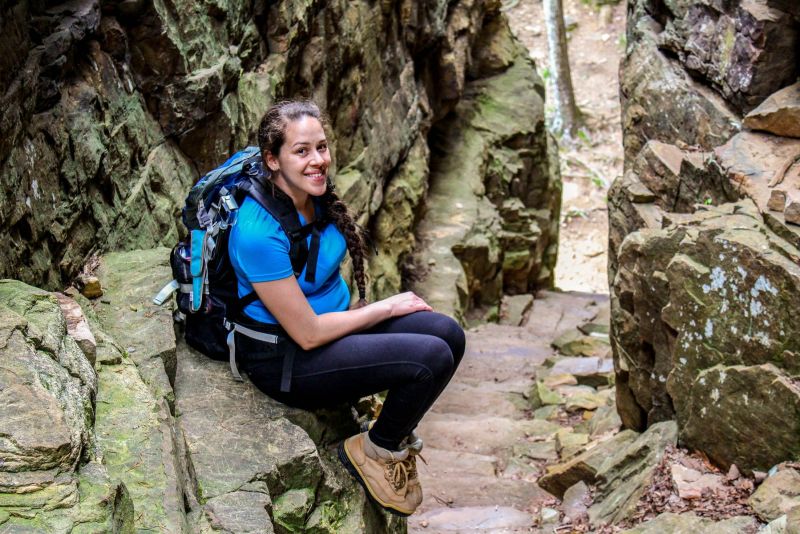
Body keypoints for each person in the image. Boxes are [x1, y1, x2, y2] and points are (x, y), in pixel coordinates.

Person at [227, 100, 466, 516]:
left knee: (448, 333)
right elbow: (307, 334)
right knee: (429, 359)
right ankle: (377, 450)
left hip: (332, 331)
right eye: (301, 151)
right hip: (286, 358)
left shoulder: (312, 197)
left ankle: (388, 434)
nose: (318, 160)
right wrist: (386, 308)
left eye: (321, 147)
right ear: (272, 160)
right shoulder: (256, 232)